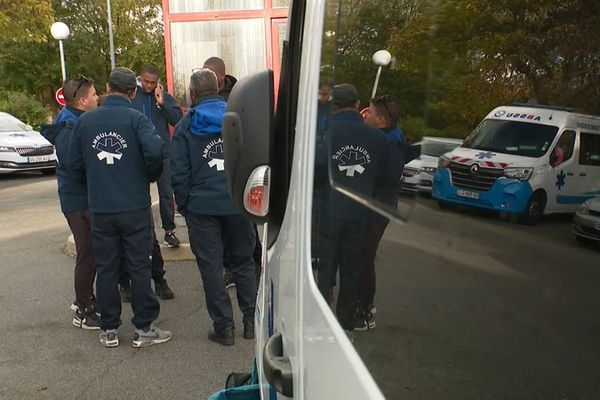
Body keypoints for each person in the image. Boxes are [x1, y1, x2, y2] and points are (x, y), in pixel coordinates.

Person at [68, 67, 172, 348]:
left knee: (107, 267)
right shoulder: (137, 119)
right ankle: (144, 328)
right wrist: (146, 175)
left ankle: (109, 329)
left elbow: (73, 163)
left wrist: (95, 179)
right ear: (134, 92)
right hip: (134, 206)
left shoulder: (85, 122)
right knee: (139, 266)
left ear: (107, 87)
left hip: (100, 208)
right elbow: (156, 151)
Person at [171, 69, 257, 346]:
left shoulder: (186, 126)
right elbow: (253, 160)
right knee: (244, 262)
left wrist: (185, 205)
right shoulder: (238, 118)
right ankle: (251, 322)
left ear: (193, 94)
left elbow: (179, 172)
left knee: (211, 267)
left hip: (202, 207)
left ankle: (224, 327)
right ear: (219, 87)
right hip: (237, 204)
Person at [315, 83, 399, 337]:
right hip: (359, 215)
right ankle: (345, 325)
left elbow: (314, 174)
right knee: (352, 269)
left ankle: (320, 322)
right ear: (356, 104)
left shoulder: (325, 135)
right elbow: (389, 179)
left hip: (329, 212)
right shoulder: (377, 138)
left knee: (325, 266)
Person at [41, 74, 100, 330]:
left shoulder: (78, 120)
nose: (98, 98)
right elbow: (73, 165)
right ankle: (82, 309)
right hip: (77, 201)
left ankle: (86, 298)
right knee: (87, 254)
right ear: (84, 100)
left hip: (84, 199)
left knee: (93, 253)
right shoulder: (69, 127)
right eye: (95, 94)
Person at [203, 57, 263, 290]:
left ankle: (253, 267)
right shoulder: (204, 98)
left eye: (210, 73)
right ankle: (232, 271)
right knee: (228, 233)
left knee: (245, 229)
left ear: (221, 75)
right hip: (215, 171)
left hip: (237, 172)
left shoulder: (238, 97)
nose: (206, 77)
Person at [359, 95, 410, 331]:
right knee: (362, 255)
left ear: (380, 119)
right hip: (376, 205)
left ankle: (365, 310)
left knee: (365, 257)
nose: (365, 115)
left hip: (378, 207)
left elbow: (382, 177)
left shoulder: (390, 142)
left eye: (369, 112)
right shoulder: (389, 136)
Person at [131, 64, 183, 248]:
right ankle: (145, 232)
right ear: (140, 78)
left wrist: (163, 104)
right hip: (138, 155)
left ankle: (169, 231)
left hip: (162, 154)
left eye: (153, 83)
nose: (149, 86)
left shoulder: (164, 98)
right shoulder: (133, 97)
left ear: (158, 82)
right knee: (140, 194)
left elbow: (177, 120)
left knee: (166, 193)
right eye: (146, 81)